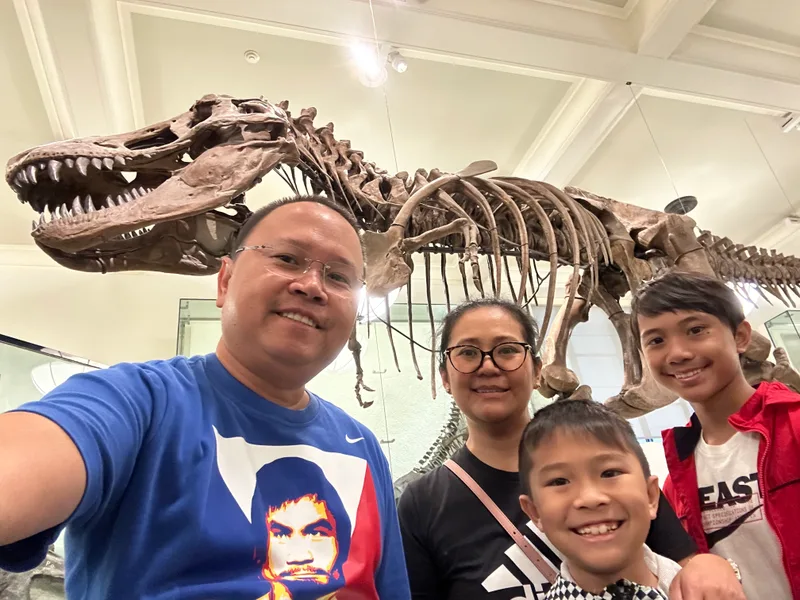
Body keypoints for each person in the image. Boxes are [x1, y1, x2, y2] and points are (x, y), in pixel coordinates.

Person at [0, 195, 410, 600]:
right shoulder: (136, 402)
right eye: (287, 258)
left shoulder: (362, 447)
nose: (312, 286)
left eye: (339, 277)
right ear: (225, 281)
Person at [397, 297, 745, 600]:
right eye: (468, 353)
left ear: (536, 370)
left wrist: (711, 566)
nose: (488, 366)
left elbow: (687, 567)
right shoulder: (423, 502)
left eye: (507, 350)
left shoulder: (608, 462)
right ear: (444, 376)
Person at [632, 270, 799, 599]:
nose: (677, 353)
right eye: (656, 340)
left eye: (695, 330)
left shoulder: (793, 425)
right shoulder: (676, 479)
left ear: (740, 337)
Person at [518, 399, 681, 599]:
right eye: (559, 481)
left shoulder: (704, 588)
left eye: (610, 473)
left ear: (651, 496)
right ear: (535, 513)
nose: (590, 498)